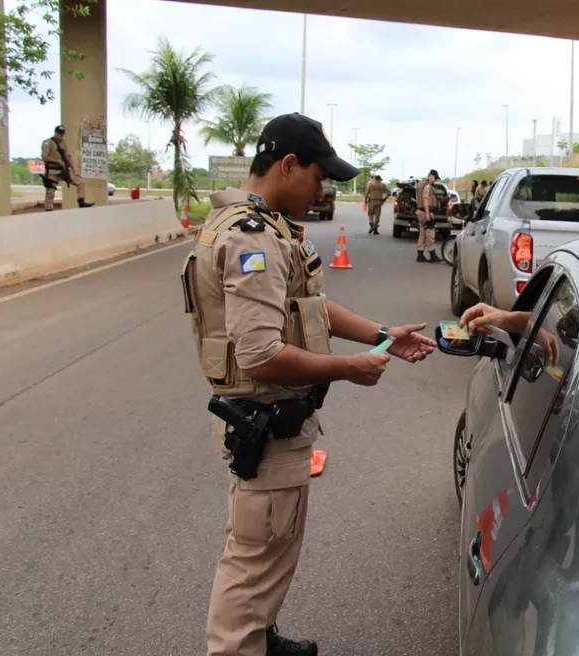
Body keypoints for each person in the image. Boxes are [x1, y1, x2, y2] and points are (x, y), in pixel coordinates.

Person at [180, 112, 436, 656]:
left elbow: (310, 308)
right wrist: (350, 367)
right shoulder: (254, 239)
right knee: (252, 563)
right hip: (266, 424)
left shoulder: (266, 227)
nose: (323, 190)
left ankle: (262, 638)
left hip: (275, 427)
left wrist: (382, 333)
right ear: (287, 164)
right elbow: (261, 354)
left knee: (271, 550)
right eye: (319, 177)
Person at [40, 125, 93, 211]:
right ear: (55, 133)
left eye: (62, 134)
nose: (60, 136)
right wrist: (57, 161)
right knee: (50, 191)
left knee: (80, 181)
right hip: (52, 170)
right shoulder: (47, 143)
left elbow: (68, 157)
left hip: (64, 169)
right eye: (59, 133)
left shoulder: (63, 143)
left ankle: (81, 202)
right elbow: (44, 158)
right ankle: (49, 210)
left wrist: (74, 170)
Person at [416, 169, 442, 263]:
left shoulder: (420, 184)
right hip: (425, 212)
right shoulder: (427, 186)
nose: (435, 180)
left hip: (419, 211)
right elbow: (425, 199)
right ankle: (432, 255)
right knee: (430, 233)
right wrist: (427, 213)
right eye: (435, 177)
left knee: (422, 233)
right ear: (431, 175)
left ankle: (420, 254)